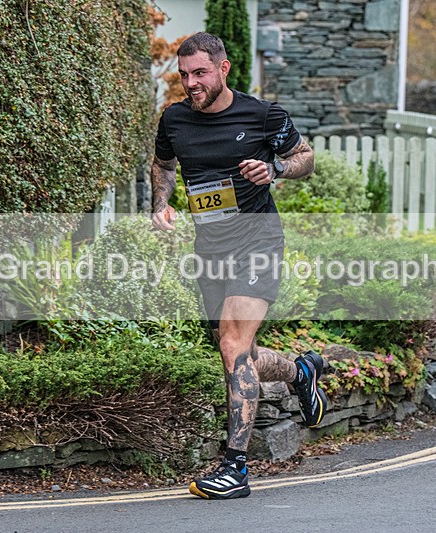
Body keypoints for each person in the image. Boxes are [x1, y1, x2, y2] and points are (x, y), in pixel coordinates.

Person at [151, 32, 327, 500]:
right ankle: (300, 373)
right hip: (211, 248)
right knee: (235, 352)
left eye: (200, 73)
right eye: (184, 74)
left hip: (258, 239)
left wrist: (275, 171)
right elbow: (164, 165)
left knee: (232, 341)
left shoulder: (262, 114)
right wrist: (161, 205)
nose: (191, 82)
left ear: (223, 69)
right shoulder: (173, 119)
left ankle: (236, 468)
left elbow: (305, 158)